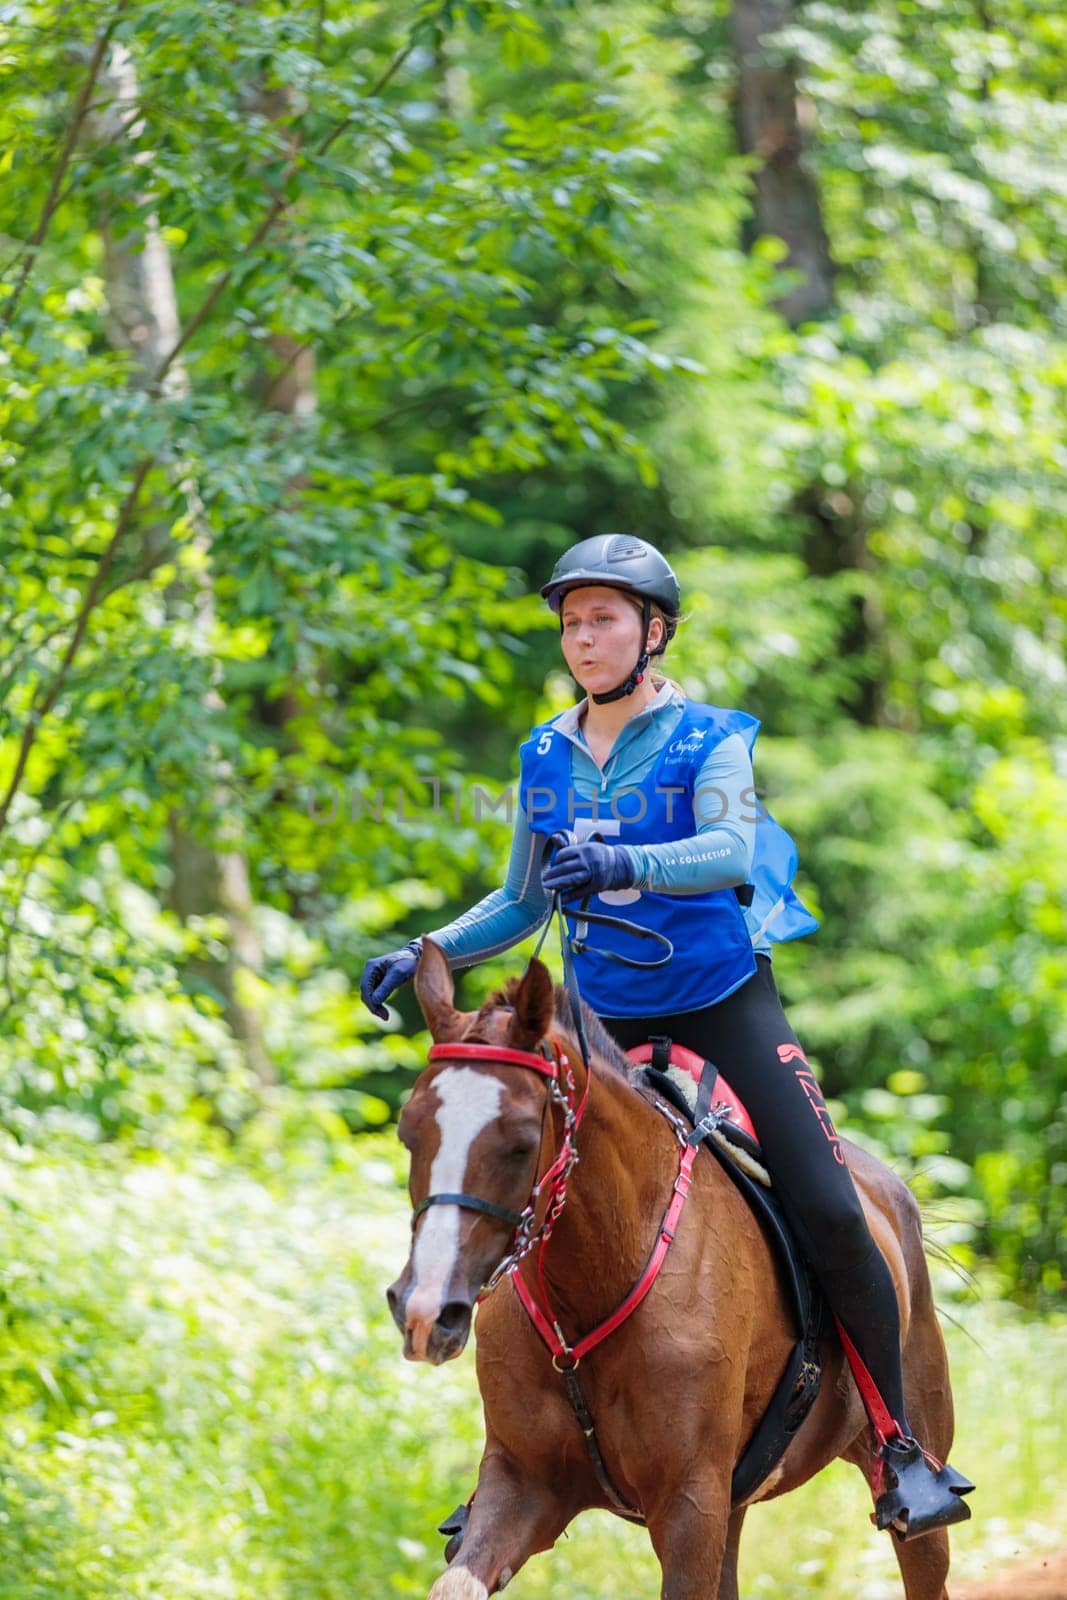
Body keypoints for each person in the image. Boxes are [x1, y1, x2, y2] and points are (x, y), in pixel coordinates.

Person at [360, 533, 973, 1540]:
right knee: (522, 1180)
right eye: (569, 621)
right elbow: (517, 904)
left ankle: (898, 1446)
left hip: (720, 999)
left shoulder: (705, 740)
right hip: (597, 1019)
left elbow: (731, 848)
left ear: (651, 633)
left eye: (601, 619)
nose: (581, 637)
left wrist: (619, 865)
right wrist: (427, 946)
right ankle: (519, 1457)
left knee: (824, 1197)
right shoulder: (545, 754)